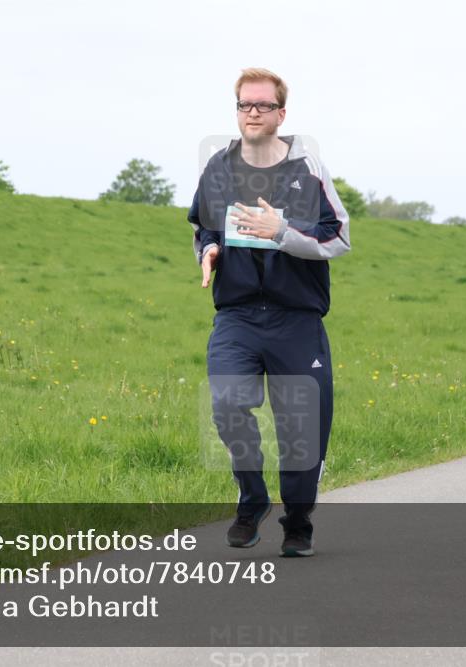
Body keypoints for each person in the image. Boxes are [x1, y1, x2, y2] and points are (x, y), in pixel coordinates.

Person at [188, 68, 350, 557]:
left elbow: (338, 238)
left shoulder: (309, 170)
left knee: (302, 432)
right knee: (227, 401)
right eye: (244, 105)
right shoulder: (218, 169)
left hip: (296, 319)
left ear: (282, 113)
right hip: (237, 316)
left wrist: (282, 230)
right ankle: (251, 498)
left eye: (262, 105)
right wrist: (209, 252)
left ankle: (298, 520)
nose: (252, 113)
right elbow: (203, 227)